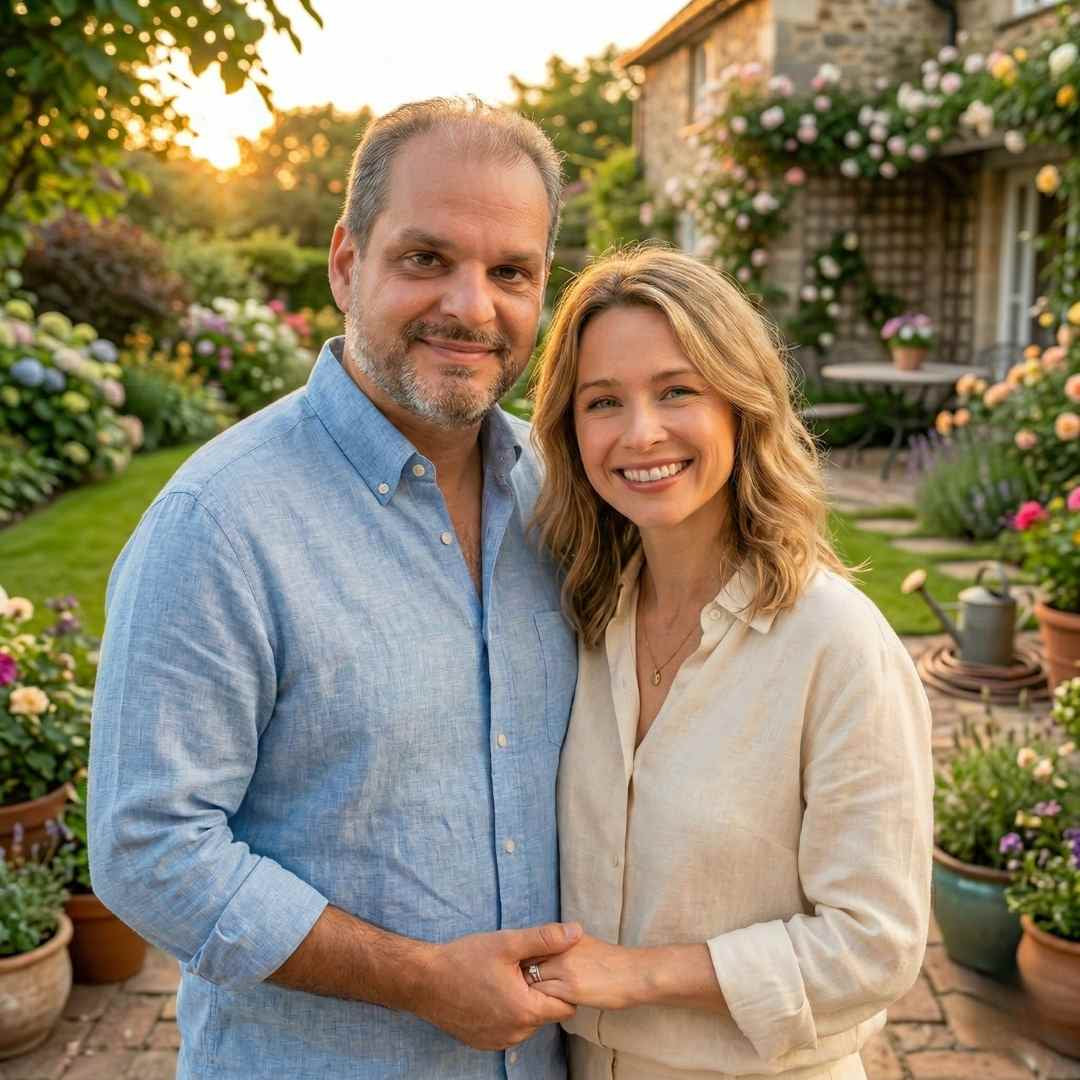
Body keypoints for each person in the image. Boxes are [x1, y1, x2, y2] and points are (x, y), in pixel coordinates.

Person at [88, 98, 582, 1079]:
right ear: (348, 262)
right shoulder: (221, 523)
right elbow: (148, 847)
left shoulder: (563, 499)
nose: (472, 308)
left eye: (511, 272)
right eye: (427, 258)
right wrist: (421, 979)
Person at [526, 247, 933, 1080]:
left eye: (677, 390)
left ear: (741, 405)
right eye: (603, 401)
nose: (641, 433)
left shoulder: (836, 644)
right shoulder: (586, 619)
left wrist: (637, 975)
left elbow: (876, 944)